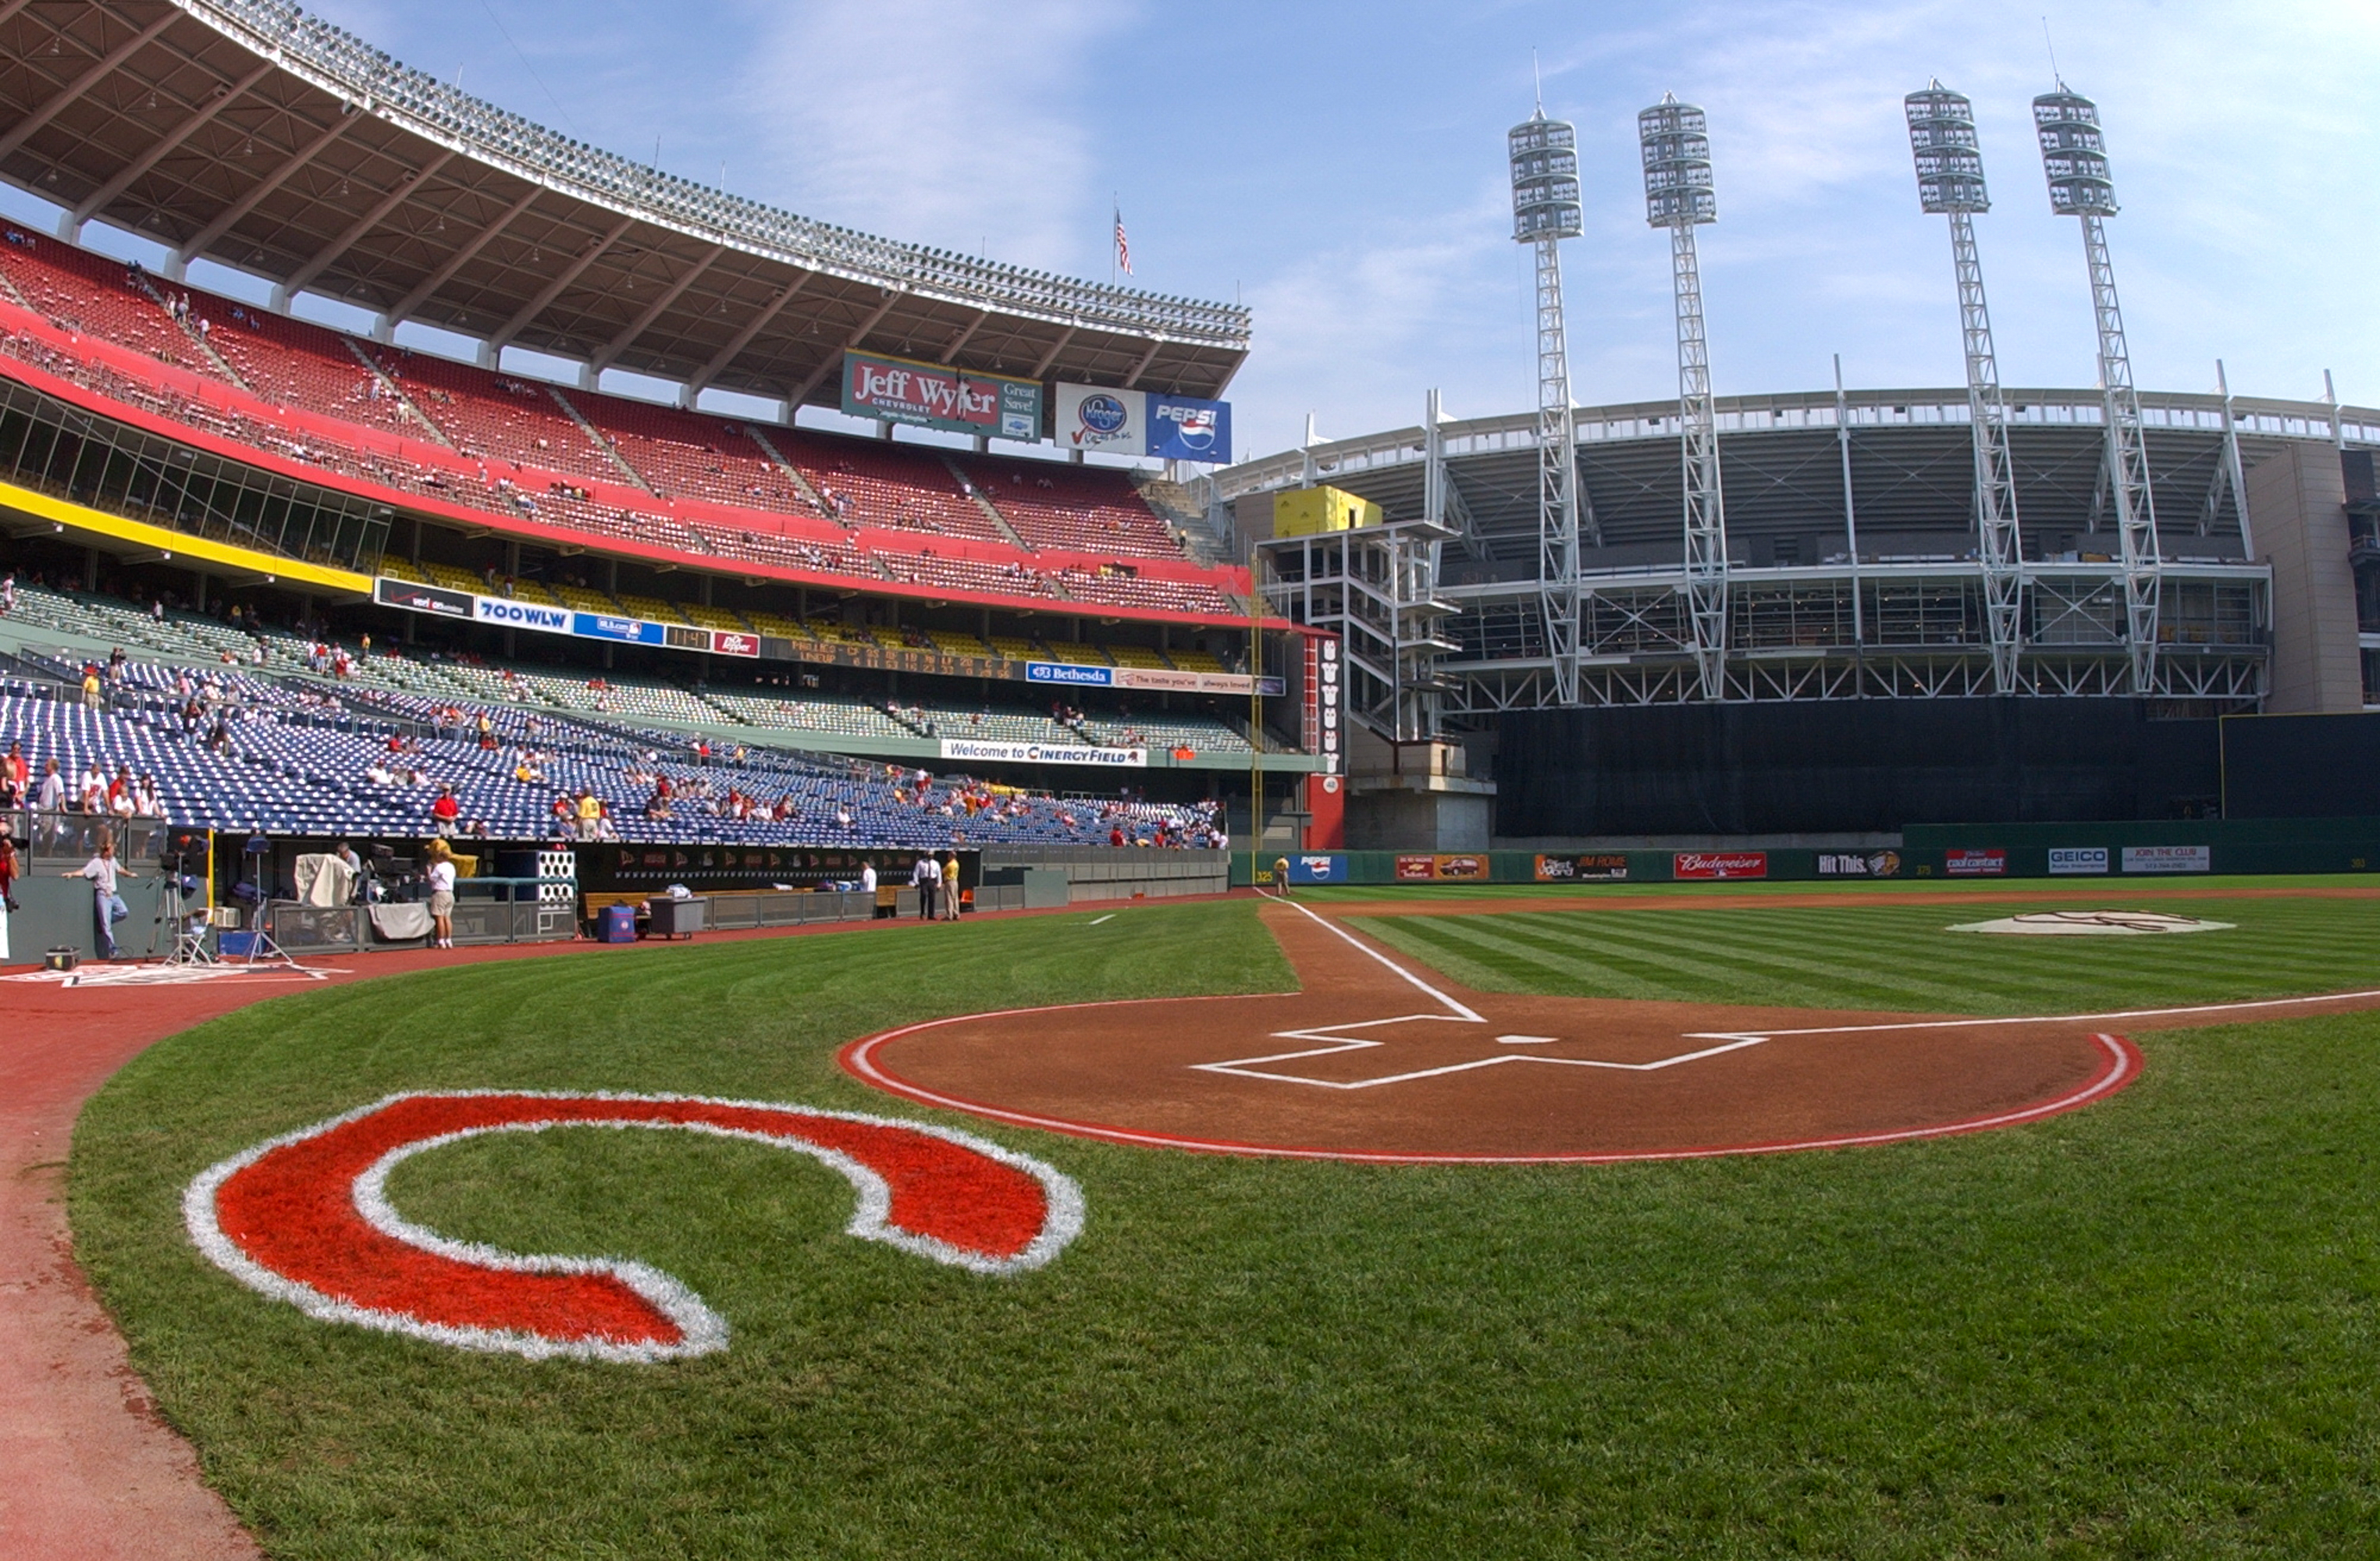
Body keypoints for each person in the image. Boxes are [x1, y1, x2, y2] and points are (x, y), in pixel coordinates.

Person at [64, 832, 135, 962]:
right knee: (106, 925)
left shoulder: (113, 861)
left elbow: (120, 870)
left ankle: (104, 923)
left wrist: (130, 874)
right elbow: (84, 872)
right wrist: (72, 874)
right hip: (103, 894)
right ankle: (113, 949)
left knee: (124, 912)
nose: (113, 852)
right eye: (111, 850)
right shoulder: (96, 862)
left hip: (114, 894)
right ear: (106, 851)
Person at [425, 839, 457, 949]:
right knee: (447, 917)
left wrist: (429, 870)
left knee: (440, 918)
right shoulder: (451, 866)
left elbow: (431, 879)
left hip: (440, 893)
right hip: (450, 894)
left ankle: (441, 941)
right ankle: (449, 940)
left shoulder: (440, 867)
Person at [911, 852, 939, 921]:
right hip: (924, 881)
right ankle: (923, 913)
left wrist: (939, 883)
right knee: (923, 896)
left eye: (931, 855)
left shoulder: (936, 863)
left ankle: (931, 915)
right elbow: (916, 873)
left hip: (932, 881)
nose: (930, 857)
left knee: (932, 898)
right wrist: (916, 882)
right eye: (929, 855)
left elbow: (939, 874)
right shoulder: (920, 863)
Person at [941, 851, 961, 921]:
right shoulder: (956, 863)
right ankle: (956, 914)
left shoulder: (950, 864)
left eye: (949, 856)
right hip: (955, 881)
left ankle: (949, 915)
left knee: (949, 899)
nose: (948, 857)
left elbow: (943, 871)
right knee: (955, 898)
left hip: (950, 881)